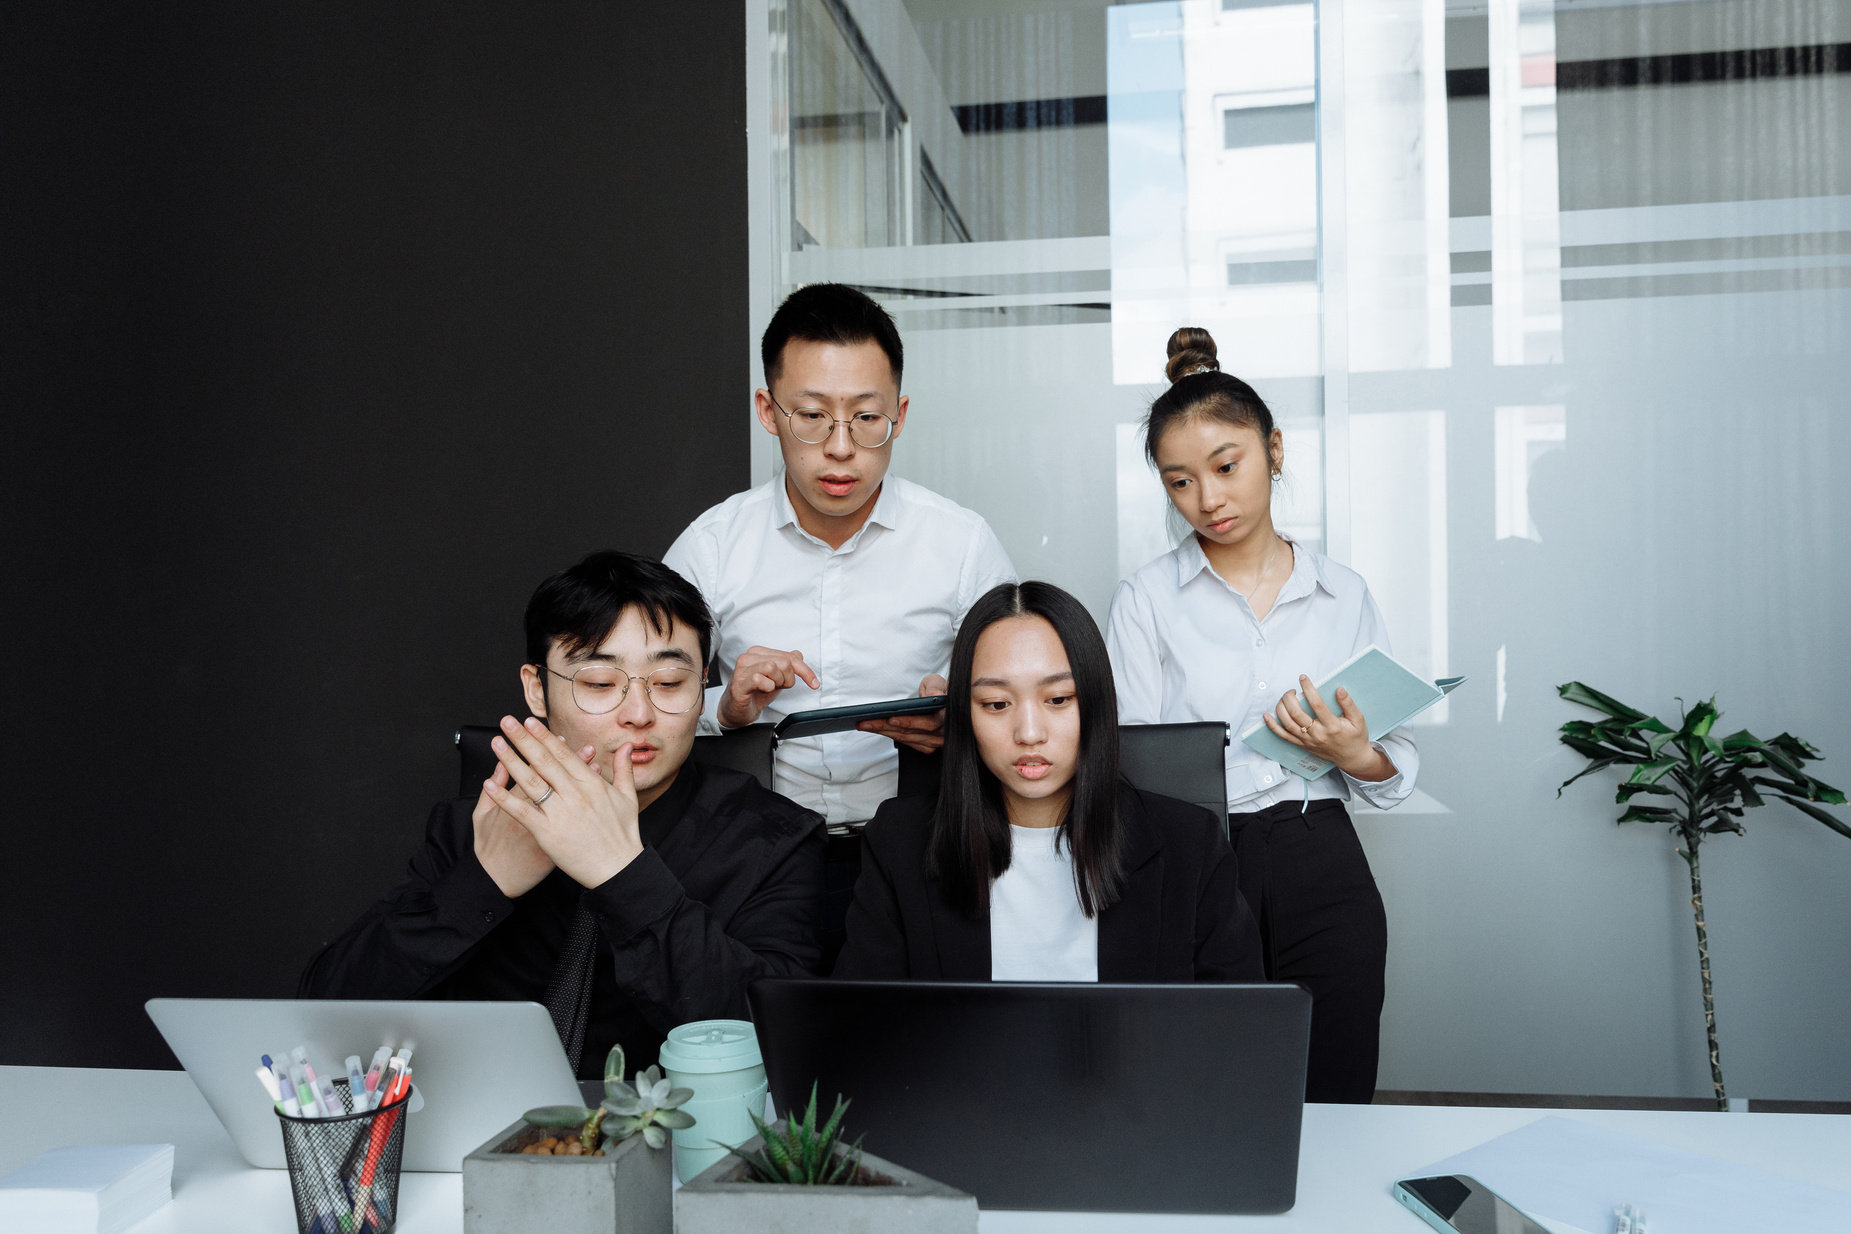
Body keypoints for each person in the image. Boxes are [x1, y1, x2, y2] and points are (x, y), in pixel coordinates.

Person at [299, 551, 824, 1076]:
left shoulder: (774, 840)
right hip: (481, 1133)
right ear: (537, 689)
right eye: (599, 684)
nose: (639, 714)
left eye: (668, 684)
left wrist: (621, 873)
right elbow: (326, 1014)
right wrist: (483, 882)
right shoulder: (476, 826)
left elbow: (777, 1039)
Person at [1105, 327, 1419, 1104]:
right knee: (1211, 1097)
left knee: (1337, 1089)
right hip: (1199, 863)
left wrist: (1353, 753)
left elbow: (1393, 771)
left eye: (1225, 466)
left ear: (1273, 450)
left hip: (1323, 860)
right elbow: (1129, 769)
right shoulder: (1146, 600)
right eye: (1179, 482)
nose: (1207, 500)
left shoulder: (1343, 594)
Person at [663, 283, 1016, 967]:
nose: (840, 448)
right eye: (813, 416)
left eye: (865, 418)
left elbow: (1033, 699)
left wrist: (965, 718)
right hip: (754, 856)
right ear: (768, 410)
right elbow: (636, 703)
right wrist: (724, 708)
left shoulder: (960, 543)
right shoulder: (712, 547)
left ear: (900, 415)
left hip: (922, 850)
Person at [834, 581, 1263, 982]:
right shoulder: (899, 843)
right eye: (997, 703)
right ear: (966, 713)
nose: (1029, 732)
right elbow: (864, 1037)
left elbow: (1241, 1035)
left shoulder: (1191, 845)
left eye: (1058, 699)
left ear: (1096, 702)